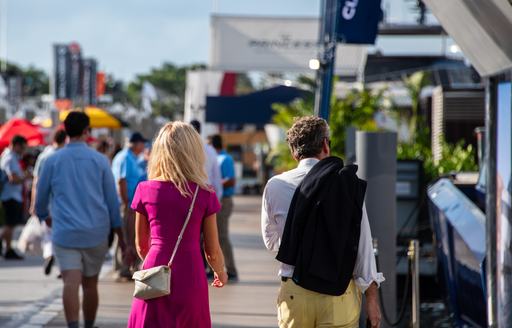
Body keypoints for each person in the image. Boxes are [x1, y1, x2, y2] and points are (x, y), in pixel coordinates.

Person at [261, 116, 384, 328]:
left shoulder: (275, 186)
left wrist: (303, 248)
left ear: (293, 152)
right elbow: (362, 245)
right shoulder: (347, 184)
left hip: (295, 293)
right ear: (326, 145)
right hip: (338, 292)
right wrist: (372, 300)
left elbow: (271, 241)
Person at [128, 122, 227, 328]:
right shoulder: (204, 193)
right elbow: (212, 251)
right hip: (190, 272)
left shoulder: (144, 189)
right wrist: (220, 272)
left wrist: (156, 263)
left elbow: (141, 246)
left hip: (155, 271)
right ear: (194, 152)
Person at [35, 112, 125, 328]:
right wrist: (121, 235)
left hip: (65, 232)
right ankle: (89, 325)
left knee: (70, 282)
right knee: (91, 285)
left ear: (65, 131)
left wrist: (44, 216)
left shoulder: (52, 160)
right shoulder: (101, 161)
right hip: (96, 232)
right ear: (87, 131)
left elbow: (40, 198)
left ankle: (73, 325)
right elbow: (112, 201)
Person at [30, 129, 67, 275]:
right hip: (61, 201)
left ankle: (48, 254)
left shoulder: (44, 156)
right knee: (61, 233)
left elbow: (36, 181)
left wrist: (34, 203)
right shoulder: (63, 156)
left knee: (48, 233)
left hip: (46, 201)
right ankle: (61, 265)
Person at [111, 132, 147, 280]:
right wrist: (127, 203)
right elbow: (122, 181)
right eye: (142, 143)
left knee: (127, 236)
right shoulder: (126, 157)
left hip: (129, 203)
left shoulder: (130, 157)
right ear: (137, 144)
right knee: (127, 236)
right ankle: (123, 267)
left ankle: (123, 265)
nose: (143, 146)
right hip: (127, 204)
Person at [209, 134, 238, 280]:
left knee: (222, 236)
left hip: (224, 200)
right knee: (213, 236)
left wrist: (215, 184)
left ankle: (231, 269)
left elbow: (231, 180)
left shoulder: (224, 159)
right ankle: (212, 267)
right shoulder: (215, 157)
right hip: (217, 199)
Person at [0, 135, 28, 260]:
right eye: (22, 147)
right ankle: (8, 249)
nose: (23, 150)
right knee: (9, 224)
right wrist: (25, 177)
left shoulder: (12, 157)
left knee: (10, 224)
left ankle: (8, 248)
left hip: (12, 195)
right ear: (16, 145)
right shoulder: (9, 157)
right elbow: (13, 179)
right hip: (10, 195)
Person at [190, 120, 222, 199]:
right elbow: (216, 177)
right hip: (206, 194)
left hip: (187, 194)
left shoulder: (183, 150)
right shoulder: (210, 150)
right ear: (200, 130)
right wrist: (217, 197)